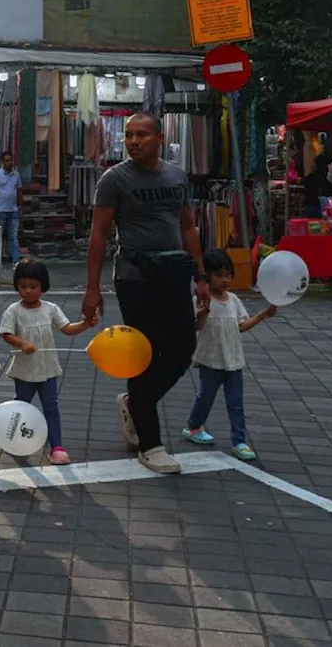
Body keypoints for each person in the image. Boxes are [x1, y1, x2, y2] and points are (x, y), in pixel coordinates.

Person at [83, 112, 208, 475]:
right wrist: (93, 288)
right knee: (144, 354)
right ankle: (150, 445)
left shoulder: (176, 176)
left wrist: (201, 274)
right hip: (135, 275)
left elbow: (187, 226)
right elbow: (98, 235)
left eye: (141, 135)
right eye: (129, 136)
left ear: (159, 137)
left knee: (183, 350)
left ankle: (136, 402)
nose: (134, 141)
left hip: (174, 272)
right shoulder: (113, 180)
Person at [181, 249, 277, 459]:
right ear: (207, 277)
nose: (225, 280)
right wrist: (203, 314)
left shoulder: (233, 300)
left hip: (233, 360)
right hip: (211, 359)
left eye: (228, 275)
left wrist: (262, 315)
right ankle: (194, 425)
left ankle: (239, 441)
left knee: (236, 403)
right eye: (219, 275)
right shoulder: (202, 299)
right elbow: (195, 326)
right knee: (205, 397)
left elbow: (241, 325)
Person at [0, 260, 91, 465]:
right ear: (16, 286)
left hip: (47, 369)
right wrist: (22, 343)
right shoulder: (14, 311)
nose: (28, 291)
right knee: (22, 406)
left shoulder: (51, 309)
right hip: (24, 371)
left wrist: (84, 324)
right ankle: (14, 439)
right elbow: (6, 333)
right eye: (23, 286)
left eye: (33, 286)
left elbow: (67, 329)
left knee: (51, 405)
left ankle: (56, 446)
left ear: (43, 286)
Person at [0, 151, 23, 263]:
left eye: (11, 160)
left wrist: (20, 206)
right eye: (7, 160)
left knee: (13, 236)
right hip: (0, 210)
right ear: (2, 162)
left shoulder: (16, 175)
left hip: (13, 210)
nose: (9, 163)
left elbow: (19, 191)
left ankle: (15, 260)